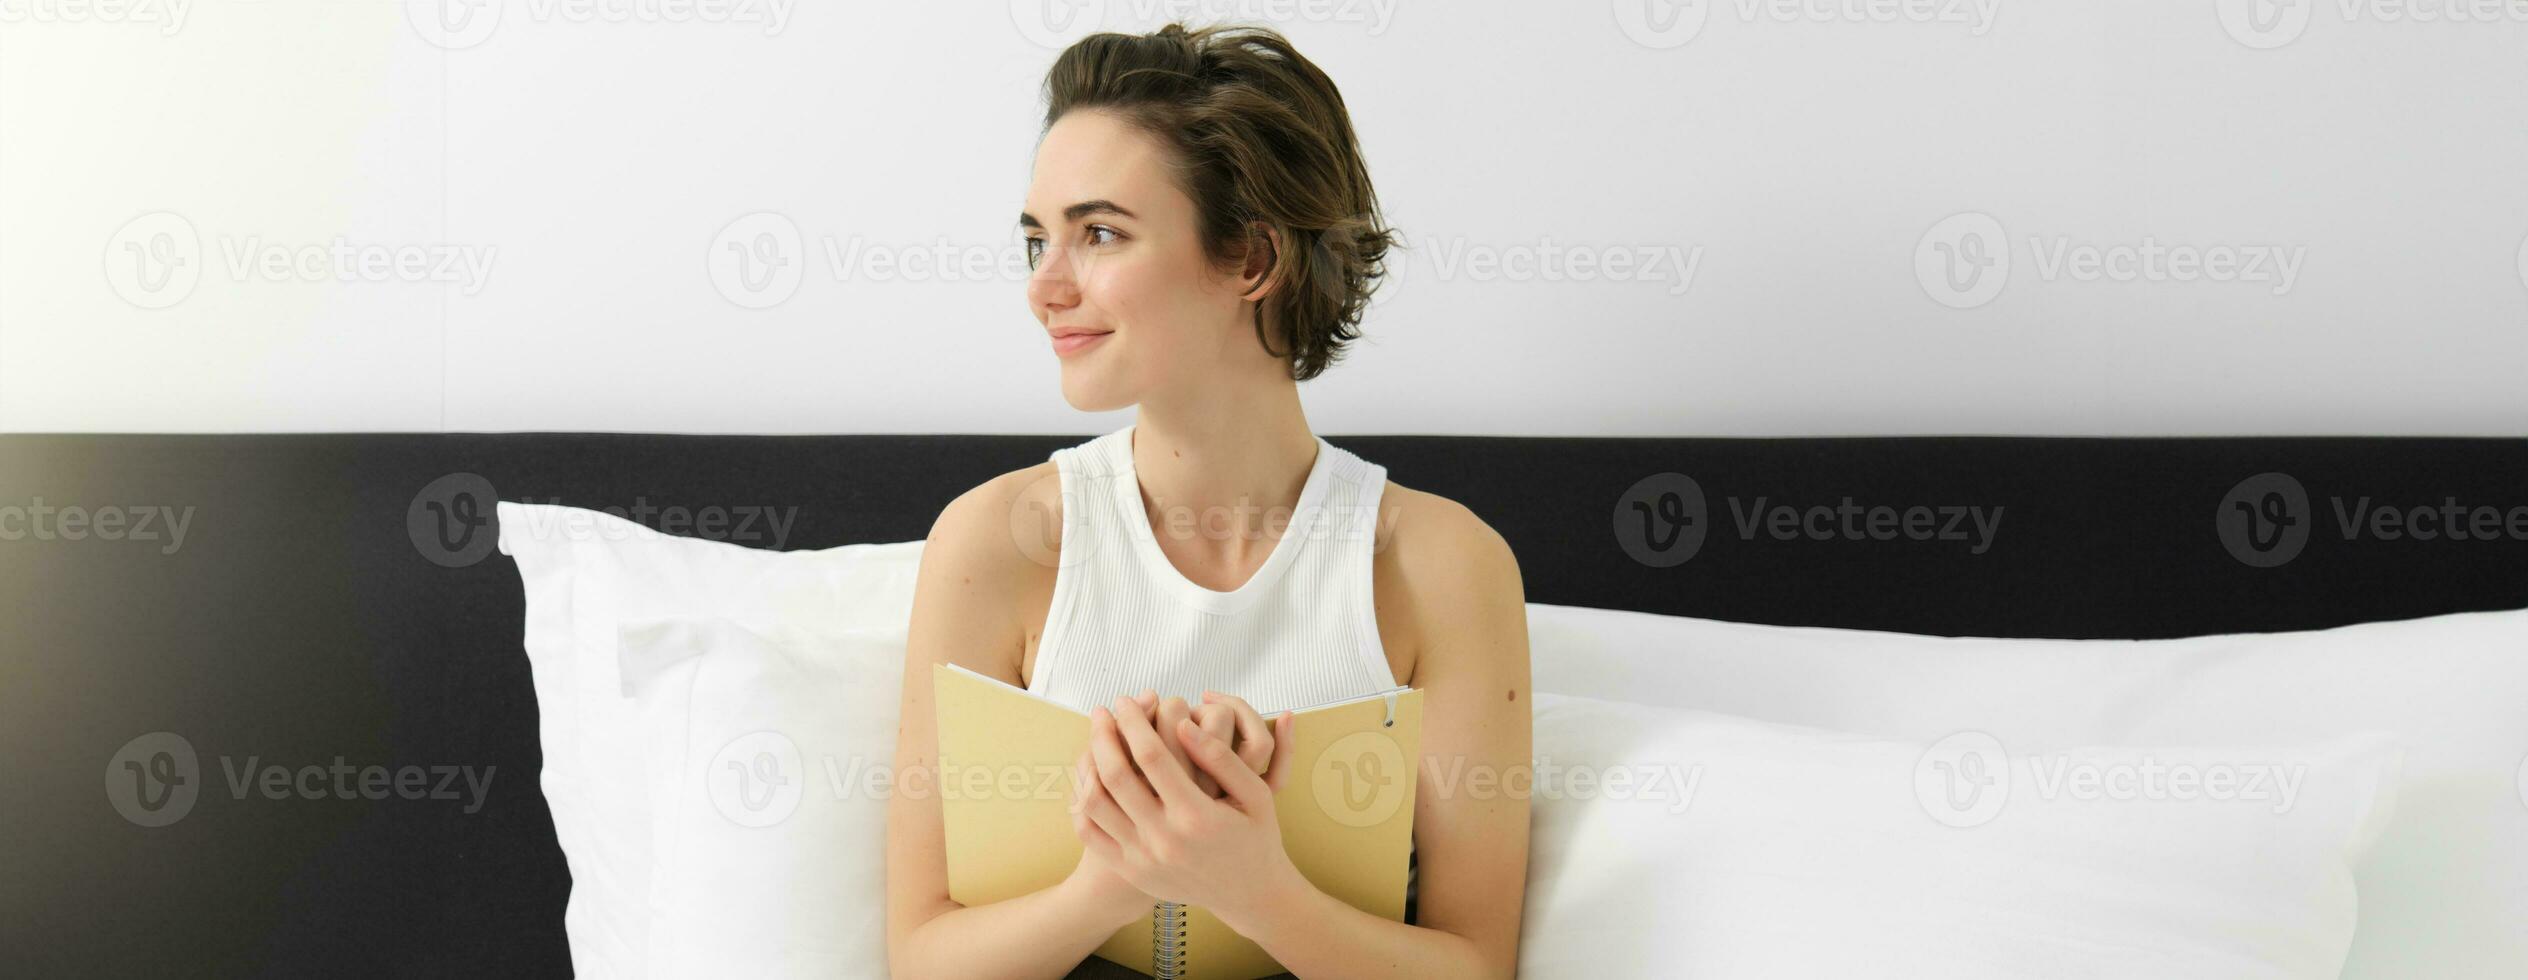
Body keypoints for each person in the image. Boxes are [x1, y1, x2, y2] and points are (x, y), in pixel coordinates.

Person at [884, 23, 1532, 979]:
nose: (1045, 288)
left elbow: (1474, 964)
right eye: (1037, 240)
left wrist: (1254, 890)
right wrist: (1116, 881)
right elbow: (922, 956)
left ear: (1253, 260)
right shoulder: (998, 542)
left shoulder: (1441, 566)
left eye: (1099, 233)